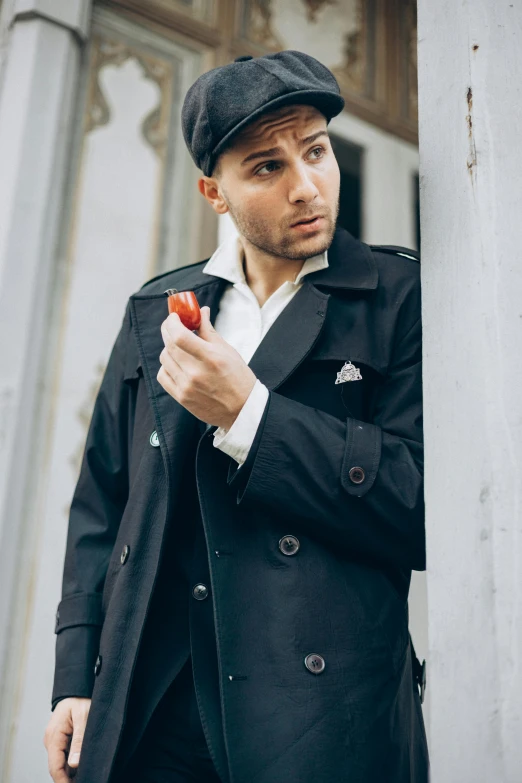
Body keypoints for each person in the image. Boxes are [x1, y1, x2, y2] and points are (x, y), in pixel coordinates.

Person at [44, 50, 428, 783]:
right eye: (266, 167)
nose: (307, 185)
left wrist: (251, 416)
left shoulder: (398, 296)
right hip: (151, 706)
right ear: (213, 192)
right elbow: (102, 505)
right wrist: (76, 675)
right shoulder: (157, 309)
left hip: (317, 719)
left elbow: (422, 506)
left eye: (315, 151)